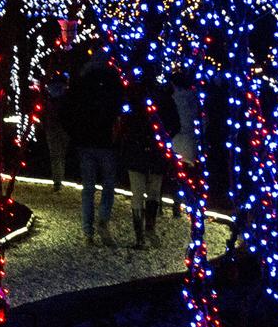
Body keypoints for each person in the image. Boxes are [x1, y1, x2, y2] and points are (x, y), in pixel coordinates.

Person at [62, 53, 124, 247]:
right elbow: (120, 108)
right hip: (106, 142)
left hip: (86, 142)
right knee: (108, 185)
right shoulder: (113, 82)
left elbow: (69, 111)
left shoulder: (81, 83)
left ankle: (88, 232)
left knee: (88, 188)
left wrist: (76, 134)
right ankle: (103, 219)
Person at [120, 78, 180, 248]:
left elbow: (125, 123)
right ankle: (149, 228)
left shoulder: (133, 100)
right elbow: (175, 125)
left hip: (136, 152)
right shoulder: (165, 101)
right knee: (153, 192)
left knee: (138, 194)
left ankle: (140, 236)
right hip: (156, 152)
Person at [169, 71, 199, 217]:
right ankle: (189, 204)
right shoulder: (194, 100)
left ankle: (177, 204)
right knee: (188, 176)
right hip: (191, 142)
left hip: (177, 141)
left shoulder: (173, 99)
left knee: (178, 175)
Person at [42, 70, 70, 192]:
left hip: (54, 128)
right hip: (62, 128)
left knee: (56, 155)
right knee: (60, 155)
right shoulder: (64, 97)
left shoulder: (51, 99)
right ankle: (58, 180)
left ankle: (57, 181)